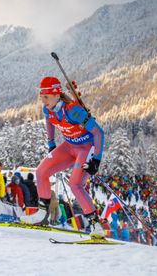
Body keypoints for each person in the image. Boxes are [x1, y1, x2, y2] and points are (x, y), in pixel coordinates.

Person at [18, 76, 105, 226]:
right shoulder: (48, 109)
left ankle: (96, 225)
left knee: (75, 185)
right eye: (42, 97)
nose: (43, 101)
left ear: (57, 95)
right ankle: (41, 214)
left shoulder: (73, 111)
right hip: (69, 146)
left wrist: (96, 159)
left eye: (46, 97)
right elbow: (49, 122)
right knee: (41, 172)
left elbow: (99, 133)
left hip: (85, 148)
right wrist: (51, 143)